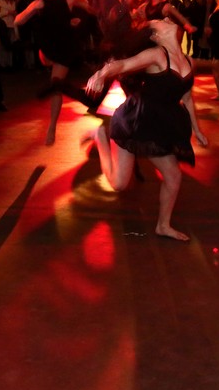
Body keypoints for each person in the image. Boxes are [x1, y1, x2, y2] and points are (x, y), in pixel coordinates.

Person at [84, 18, 208, 241]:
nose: (166, 18)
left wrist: (197, 130)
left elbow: (187, 98)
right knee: (119, 184)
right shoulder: (156, 55)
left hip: (160, 125)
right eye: (159, 21)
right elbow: (123, 65)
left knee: (173, 176)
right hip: (135, 121)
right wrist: (101, 73)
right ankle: (100, 136)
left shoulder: (189, 61)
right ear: (155, 36)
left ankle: (163, 225)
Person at [14, 0, 93, 145]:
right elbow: (18, 20)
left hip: (64, 48)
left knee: (56, 84)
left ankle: (52, 127)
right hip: (47, 48)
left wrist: (80, 18)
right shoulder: (40, 3)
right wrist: (30, 12)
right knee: (48, 65)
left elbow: (88, 7)